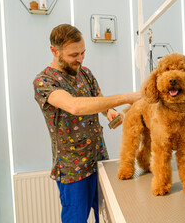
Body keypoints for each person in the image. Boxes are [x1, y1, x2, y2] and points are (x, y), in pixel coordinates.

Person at [33, 23, 140, 223]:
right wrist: (127, 97)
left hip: (99, 160)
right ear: (54, 51)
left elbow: (98, 98)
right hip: (73, 171)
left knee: (108, 216)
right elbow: (74, 106)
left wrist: (109, 111)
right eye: (74, 55)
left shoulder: (85, 73)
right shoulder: (44, 82)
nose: (80, 59)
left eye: (83, 53)